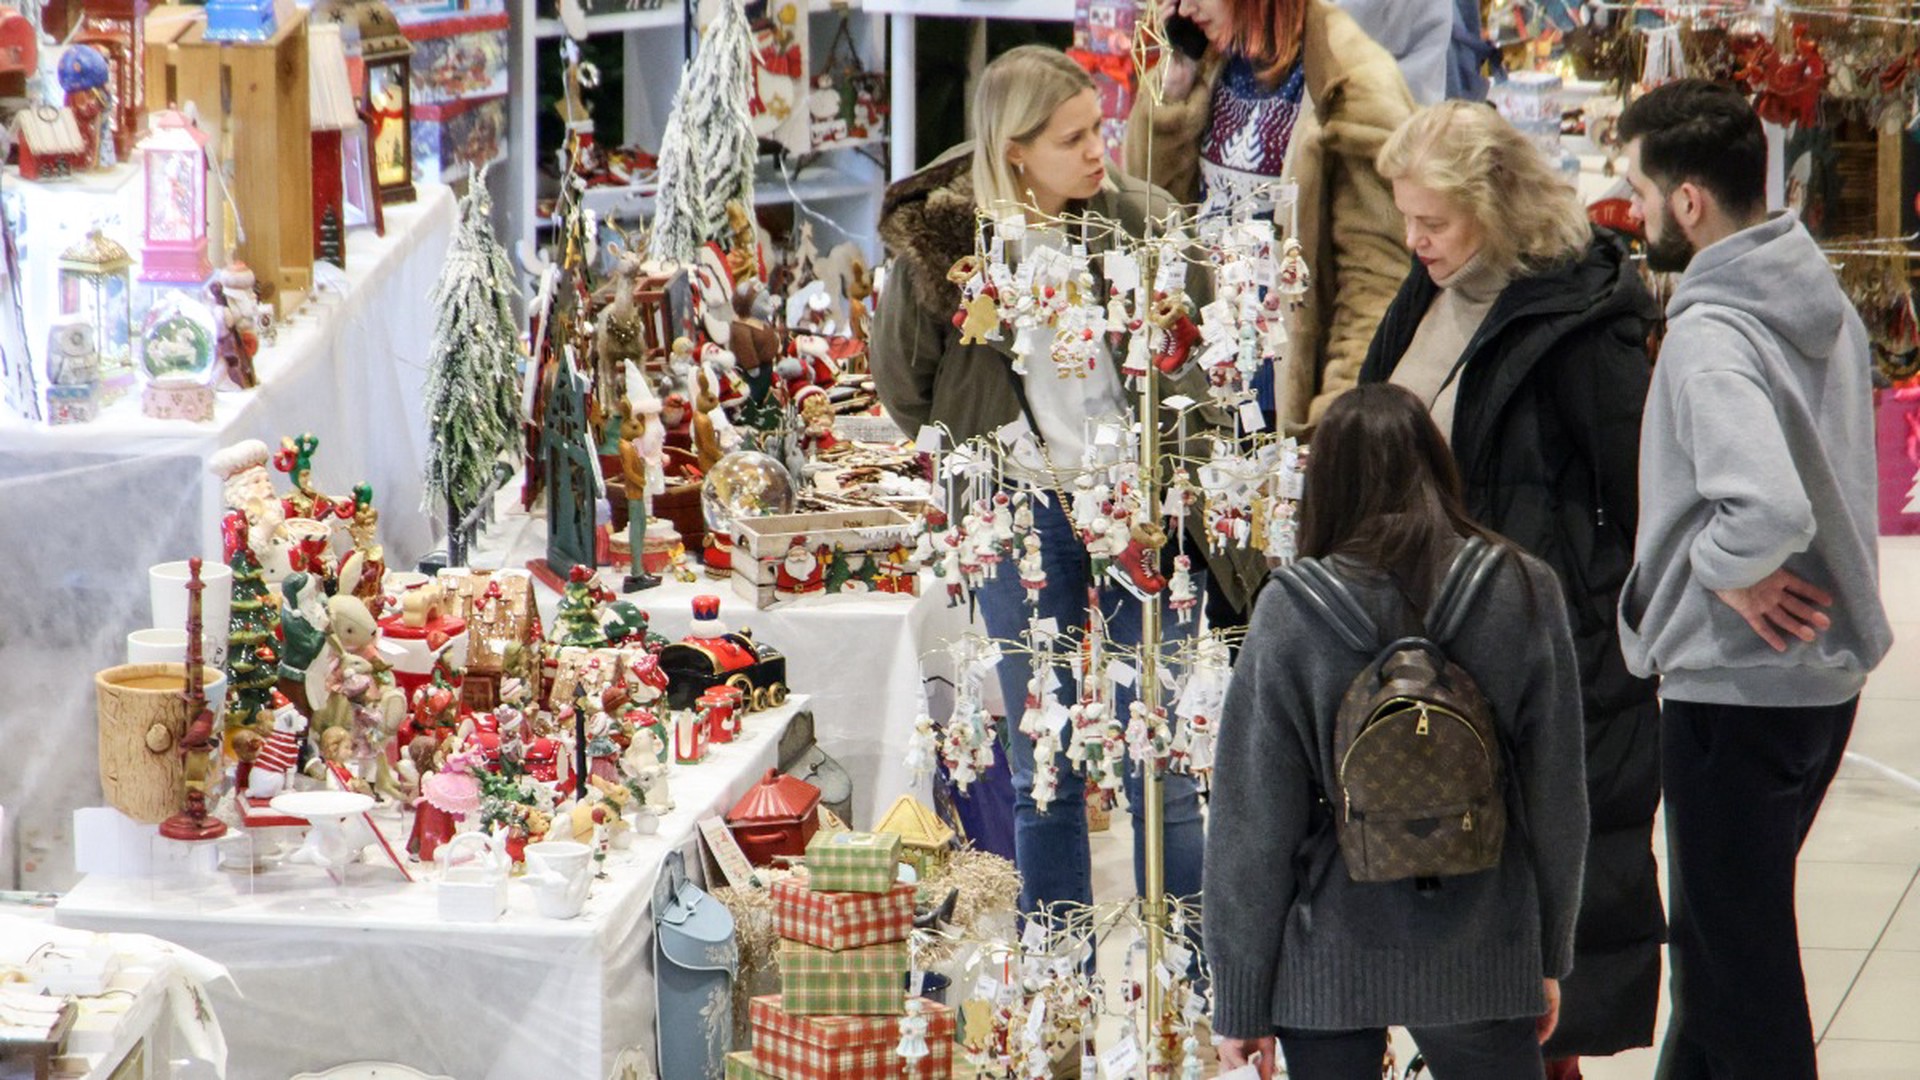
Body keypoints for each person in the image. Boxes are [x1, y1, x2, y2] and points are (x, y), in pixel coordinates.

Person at [871, 46, 1260, 917]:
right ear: (1016, 149)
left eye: (1100, 129)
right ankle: (1058, 981)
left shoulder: (1141, 221)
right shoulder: (945, 248)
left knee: (1158, 754)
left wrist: (1169, 480)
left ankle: (1190, 987)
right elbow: (904, 388)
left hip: (1142, 510)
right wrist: (988, 457)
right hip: (1018, 509)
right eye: (1074, 137)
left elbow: (1197, 371)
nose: (1100, 152)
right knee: (1042, 760)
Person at [1357, 100, 1662, 1078]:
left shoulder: (1578, 312)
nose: (1415, 241)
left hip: (1539, 658)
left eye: (1432, 222)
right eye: (1405, 218)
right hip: (1427, 661)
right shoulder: (1431, 284)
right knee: (1472, 962)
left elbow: (1637, 489)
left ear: (1493, 205)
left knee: (1527, 966)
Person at [1614, 79, 1894, 1080]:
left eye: (1639, 189)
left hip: (1736, 688)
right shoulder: (1813, 297)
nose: (1632, 211)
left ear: (1688, 202)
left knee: (1743, 978)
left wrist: (1721, 569)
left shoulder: (1709, 333)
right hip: (1819, 682)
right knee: (1720, 958)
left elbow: (1766, 506)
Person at [1205, 383, 1588, 1080]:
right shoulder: (1523, 587)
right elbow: (1558, 795)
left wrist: (1241, 1002)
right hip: (1482, 944)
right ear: (1439, 466)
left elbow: (1253, 821)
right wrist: (1548, 956)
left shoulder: (1292, 610)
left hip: (1330, 950)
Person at [1123, 0, 1414, 436]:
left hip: (1281, 391)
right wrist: (1172, 93)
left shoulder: (1349, 78)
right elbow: (1157, 213)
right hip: (1197, 377)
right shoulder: (1209, 59)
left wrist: (1339, 408)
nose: (1181, 7)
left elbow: (1375, 273)